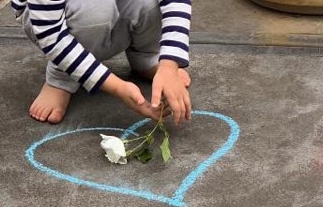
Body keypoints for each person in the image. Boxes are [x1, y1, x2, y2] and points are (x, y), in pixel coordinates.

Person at [13, 0, 192, 126]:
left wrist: (169, 64)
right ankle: (62, 77)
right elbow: (50, 34)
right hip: (47, 19)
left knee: (150, 3)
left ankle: (145, 56)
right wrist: (118, 87)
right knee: (96, 9)